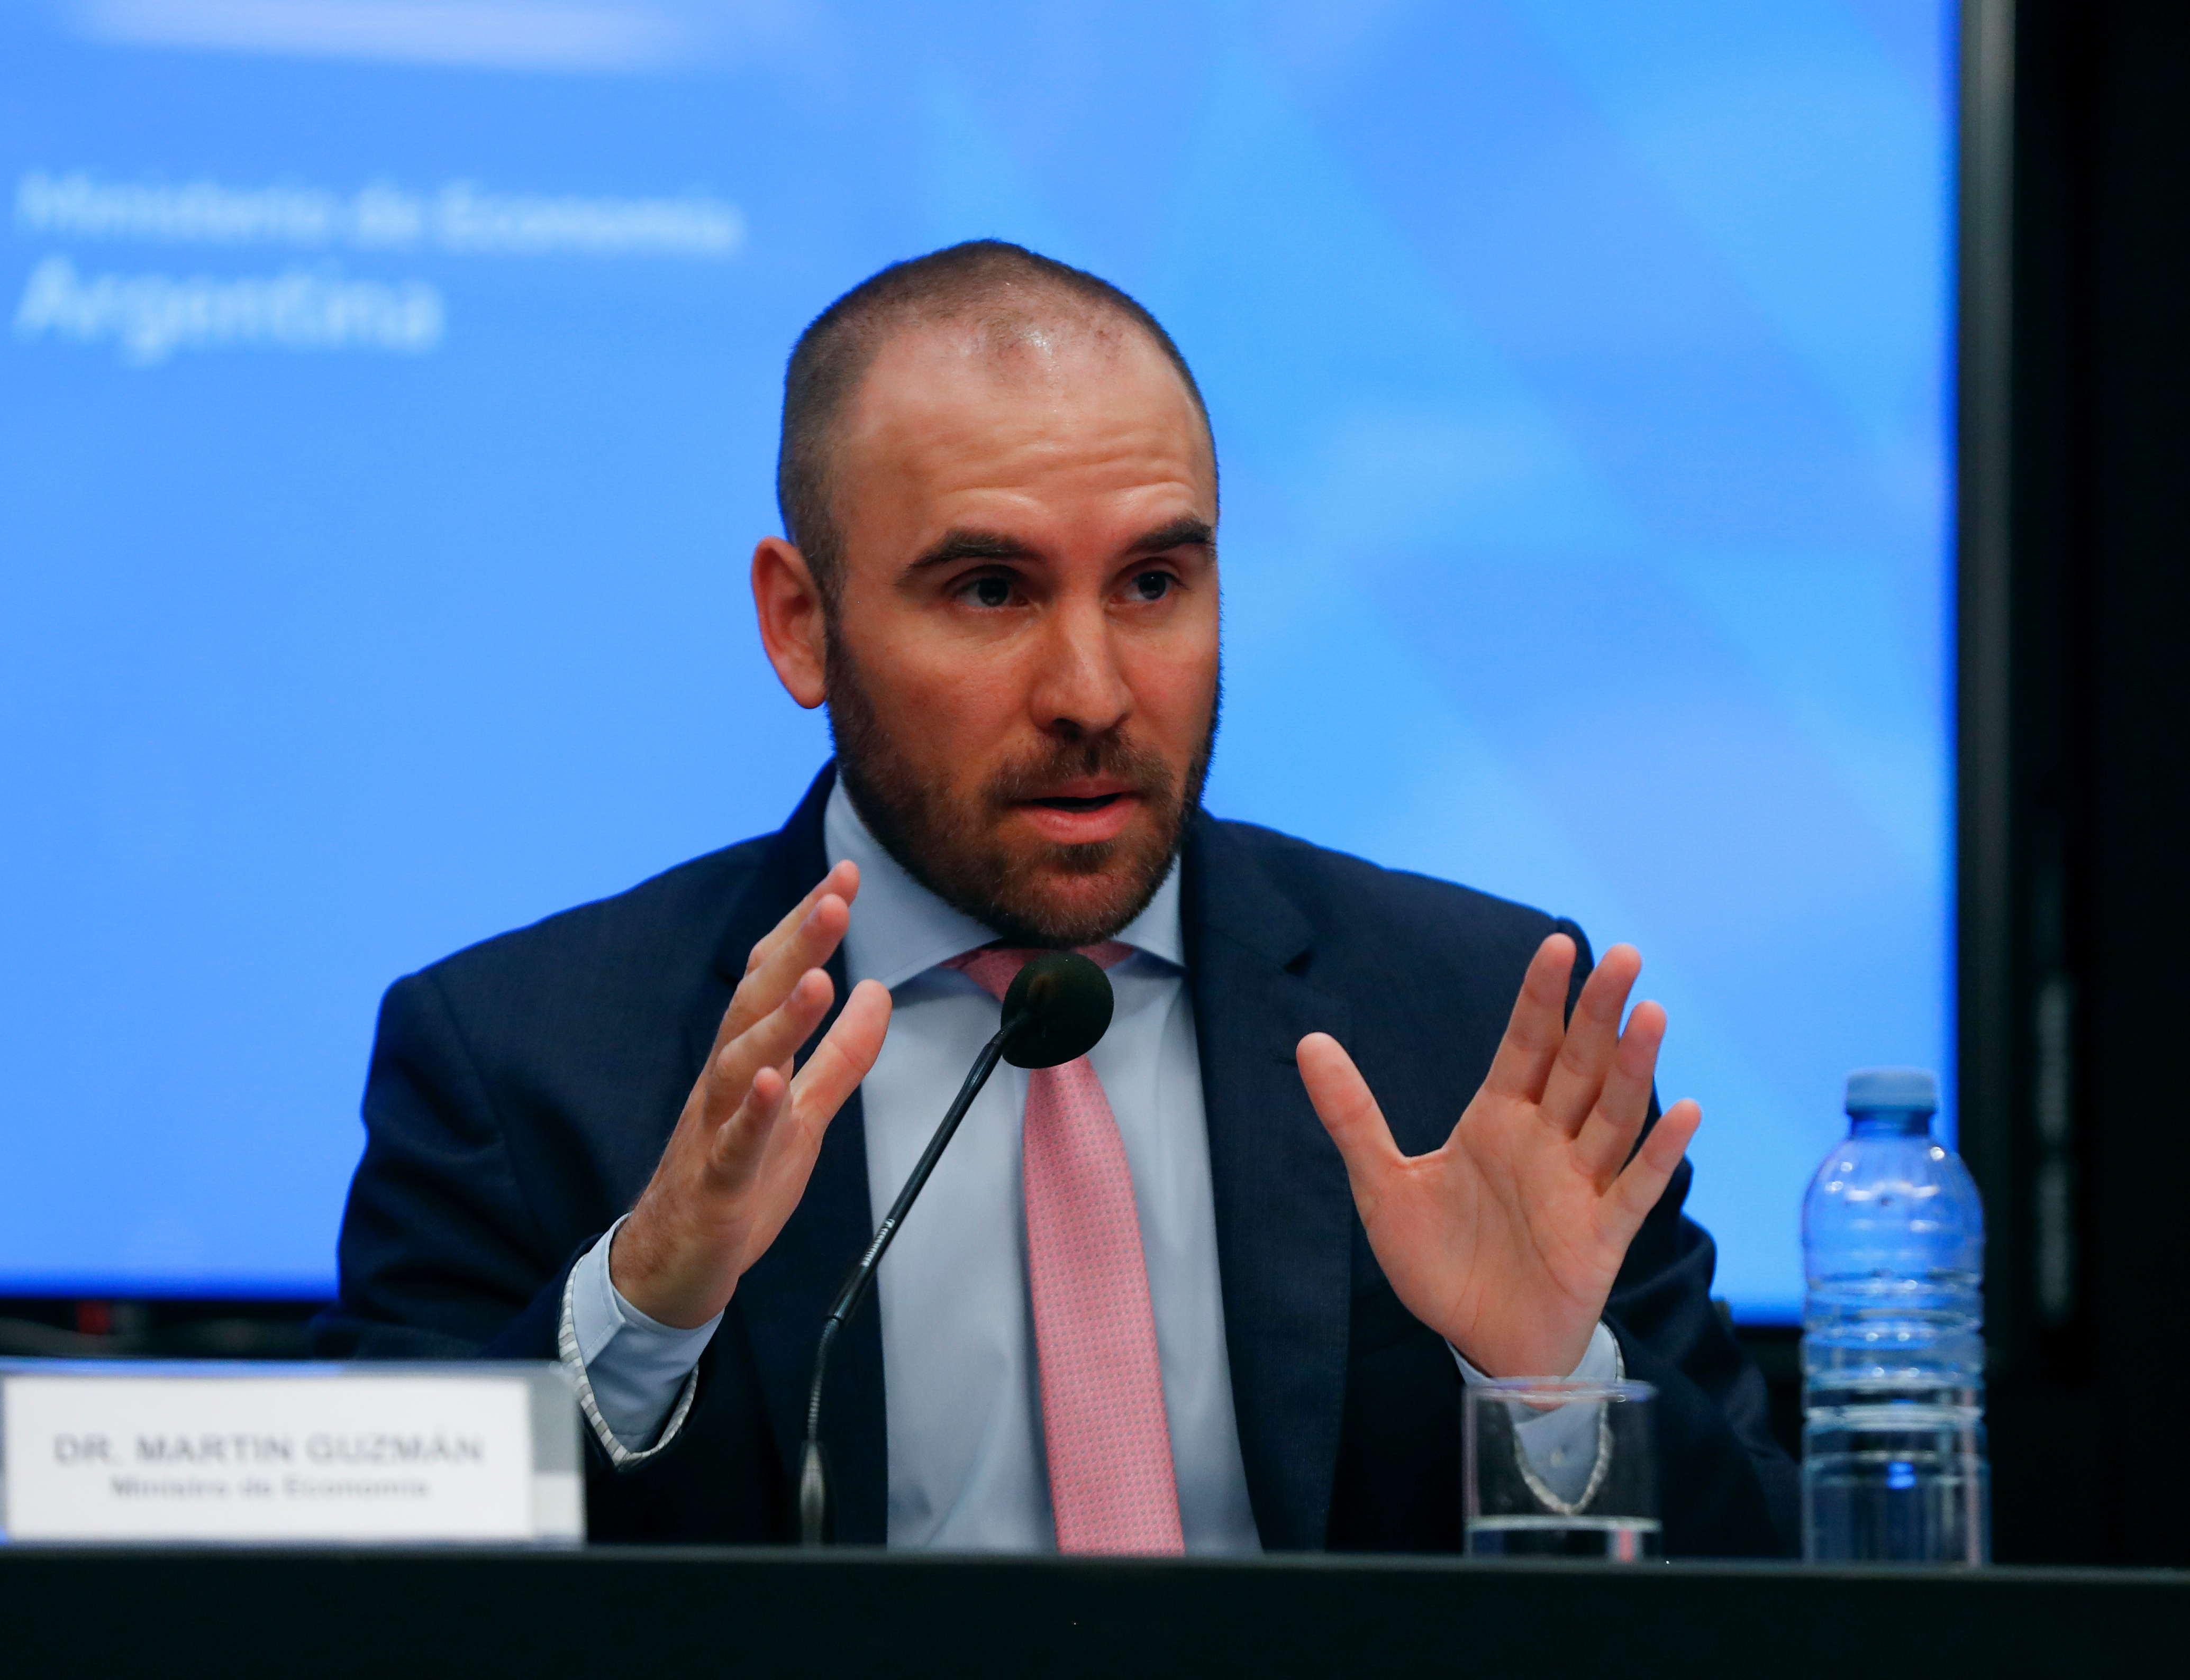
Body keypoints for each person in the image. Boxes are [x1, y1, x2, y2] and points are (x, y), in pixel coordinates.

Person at [313, 240, 1797, 1556]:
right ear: (800, 621)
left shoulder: (1475, 1025)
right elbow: (357, 1613)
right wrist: (647, 1305)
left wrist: (1544, 1387)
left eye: (1153, 583)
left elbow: (1785, 1594)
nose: (1090, 694)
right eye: (988, 591)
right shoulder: (526, 1061)